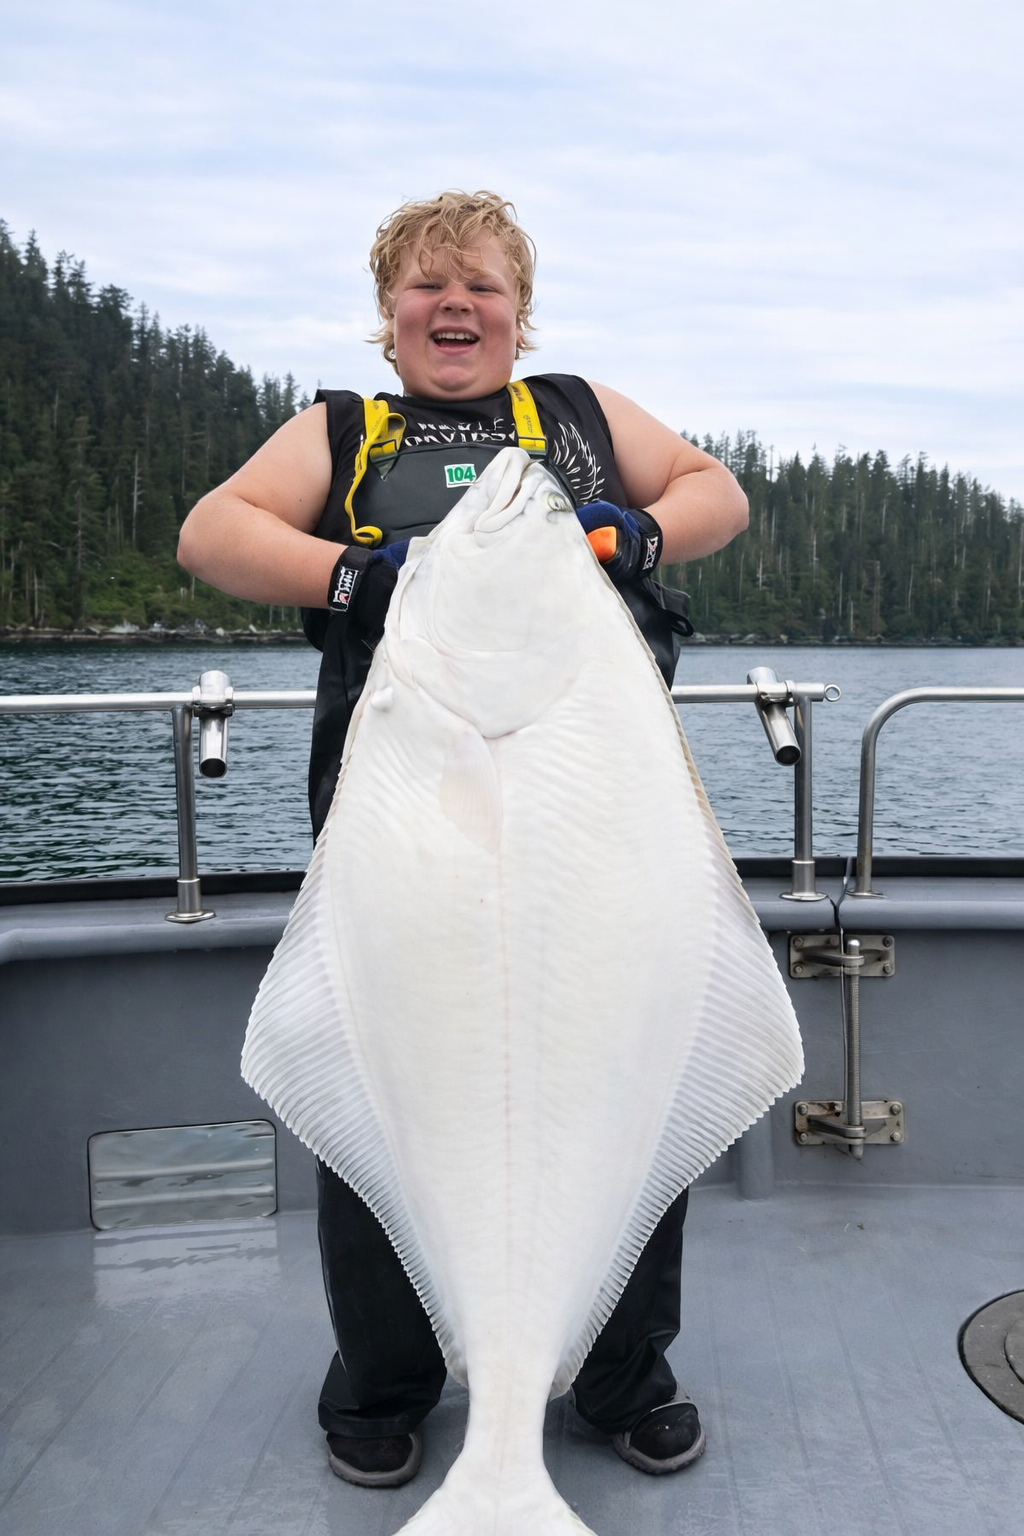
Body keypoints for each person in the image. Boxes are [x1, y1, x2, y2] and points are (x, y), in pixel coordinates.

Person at [178, 190, 748, 1490]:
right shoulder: (344, 429)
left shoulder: (583, 418)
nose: (456, 305)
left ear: (519, 312)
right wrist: (353, 577)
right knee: (393, 1084)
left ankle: (619, 1373)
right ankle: (385, 1380)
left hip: (598, 816)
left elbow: (718, 491)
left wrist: (646, 528)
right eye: (427, 286)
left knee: (626, 1069)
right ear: (387, 319)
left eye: (483, 285)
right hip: (412, 826)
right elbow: (215, 530)